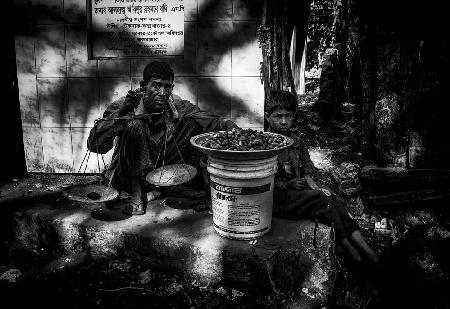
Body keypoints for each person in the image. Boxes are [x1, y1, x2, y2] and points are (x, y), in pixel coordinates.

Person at [87, 61, 238, 215]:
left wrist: (231, 127)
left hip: (165, 171)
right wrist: (122, 114)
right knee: (134, 124)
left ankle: (176, 186)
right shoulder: (123, 105)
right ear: (144, 86)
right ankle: (138, 191)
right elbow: (94, 145)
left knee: (195, 123)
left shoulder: (178, 106)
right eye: (156, 86)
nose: (163, 92)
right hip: (130, 174)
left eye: (168, 87)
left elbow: (212, 121)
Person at [266, 90, 380, 268]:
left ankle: (366, 249)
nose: (283, 121)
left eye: (288, 116)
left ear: (294, 117)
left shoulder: (298, 142)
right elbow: (263, 182)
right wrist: (287, 183)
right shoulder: (263, 144)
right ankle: (349, 248)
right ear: (267, 118)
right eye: (277, 116)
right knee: (320, 200)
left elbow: (307, 172)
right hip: (277, 199)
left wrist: (315, 187)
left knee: (331, 198)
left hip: (298, 196)